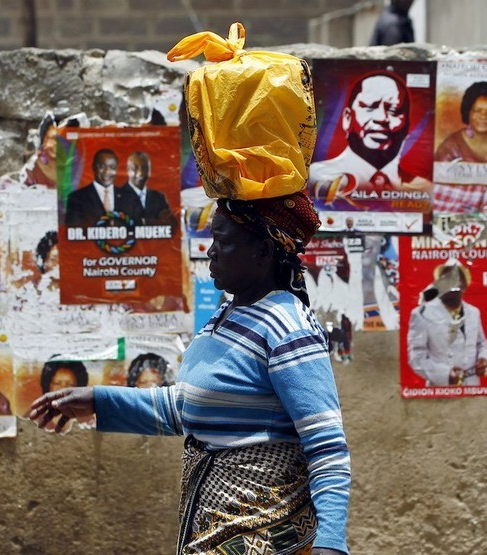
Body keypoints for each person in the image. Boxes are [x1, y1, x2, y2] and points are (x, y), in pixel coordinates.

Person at [30, 191, 351, 554]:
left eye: (223, 241)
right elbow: (186, 408)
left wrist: (331, 544)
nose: (211, 251)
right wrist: (98, 401)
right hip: (218, 531)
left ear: (263, 252)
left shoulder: (287, 327)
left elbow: (327, 446)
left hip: (268, 538)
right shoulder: (229, 315)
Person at [308, 71, 419, 195]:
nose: (381, 118)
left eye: (394, 110)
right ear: (347, 118)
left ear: (407, 125)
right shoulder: (317, 178)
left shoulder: (422, 189)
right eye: (369, 107)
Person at [432, 81, 487, 214]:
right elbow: (440, 192)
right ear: (468, 113)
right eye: (477, 110)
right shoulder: (451, 146)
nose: (483, 116)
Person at [407, 262, 487, 386]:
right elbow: (416, 357)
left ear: (464, 285)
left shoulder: (474, 313)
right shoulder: (421, 314)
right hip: (440, 388)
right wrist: (445, 374)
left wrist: (484, 359)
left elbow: (482, 344)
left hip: (472, 386)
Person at [64, 149, 143, 227]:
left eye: (112, 167)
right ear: (94, 167)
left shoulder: (130, 198)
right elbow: (72, 232)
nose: (107, 171)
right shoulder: (77, 198)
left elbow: (140, 231)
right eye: (102, 166)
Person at [120, 151, 174, 225]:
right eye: (135, 168)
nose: (141, 173)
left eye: (145, 168)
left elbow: (171, 225)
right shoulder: (117, 196)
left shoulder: (159, 197)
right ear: (127, 170)